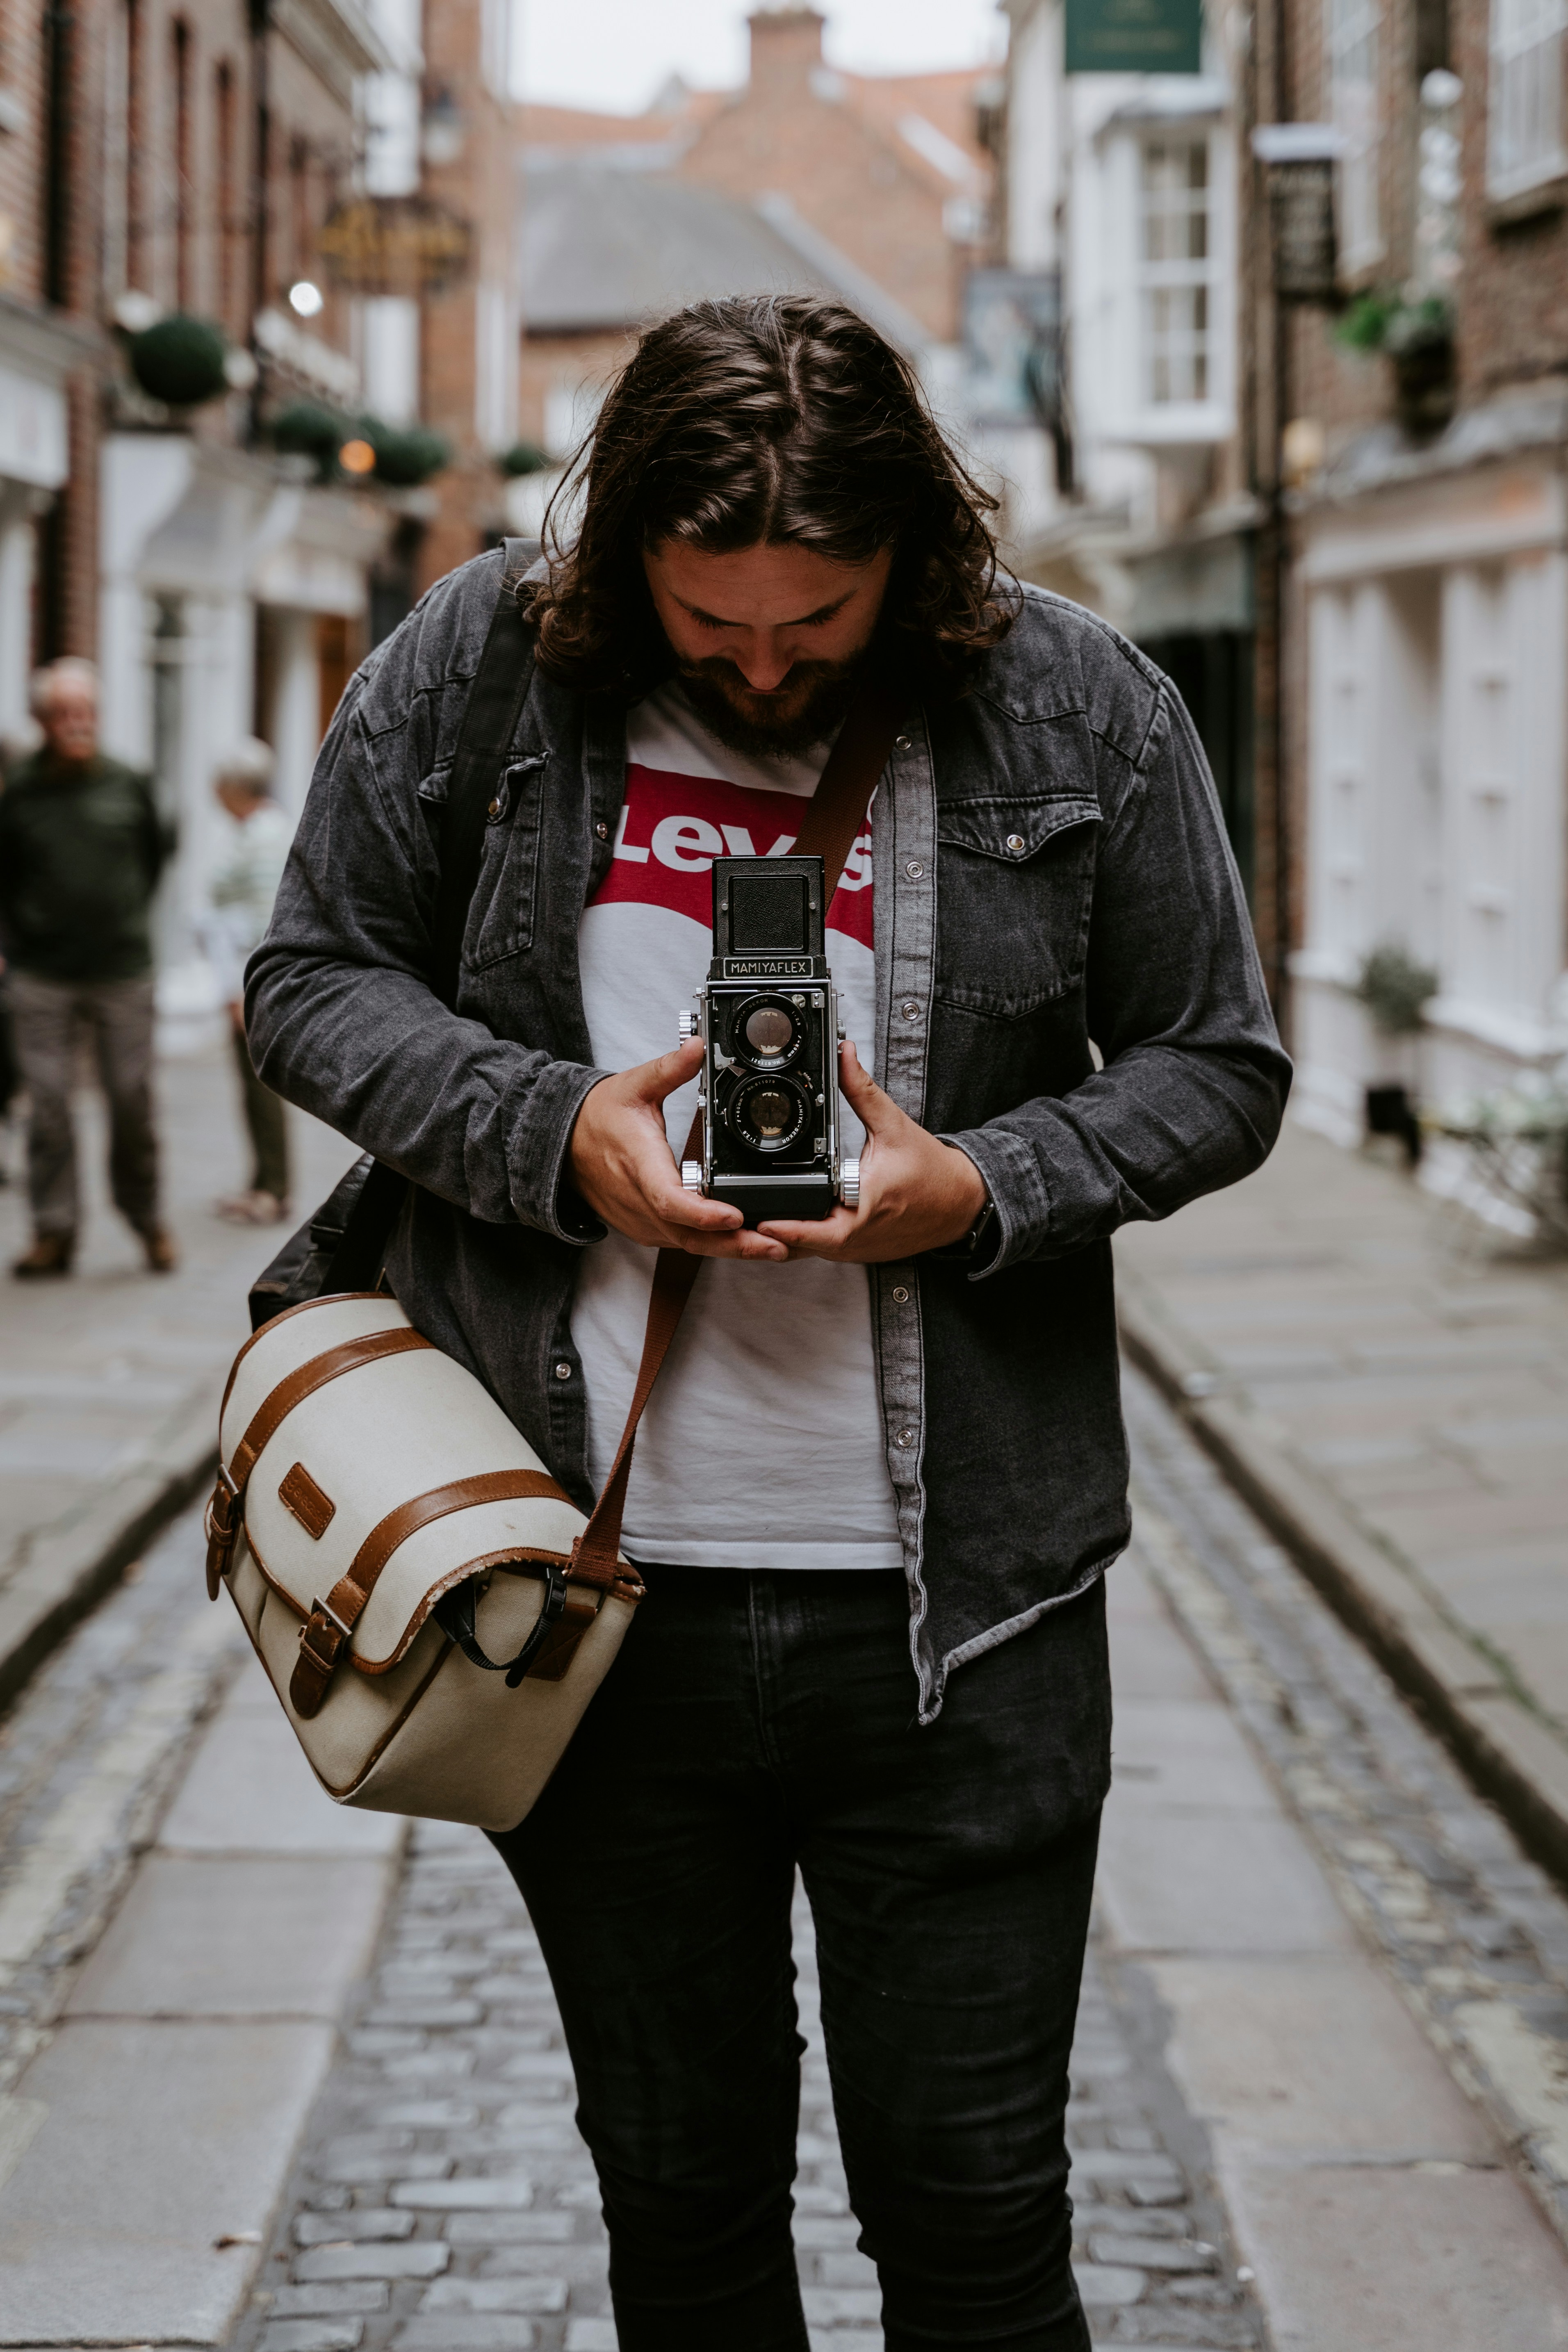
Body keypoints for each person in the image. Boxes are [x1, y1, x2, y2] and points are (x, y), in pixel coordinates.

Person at [248, 296, 1290, 2352]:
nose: (751, 662)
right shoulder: (483, 665)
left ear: (912, 558)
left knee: (977, 2219)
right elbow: (311, 978)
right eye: (703, 616)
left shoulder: (1076, 705)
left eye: (808, 622)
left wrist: (972, 1187)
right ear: (620, 541)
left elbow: (1214, 1063)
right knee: (686, 2209)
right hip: (585, 1609)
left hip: (957, 1624)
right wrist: (559, 1137)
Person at [0, 659, 176, 1278]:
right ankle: (55, 1231)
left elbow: (157, 856)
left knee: (131, 1102)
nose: (77, 724)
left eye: (86, 713)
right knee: (47, 1106)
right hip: (41, 972)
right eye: (63, 713)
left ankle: (147, 1217)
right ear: (42, 721)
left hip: (121, 969)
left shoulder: (128, 783)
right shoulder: (19, 790)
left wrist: (119, 916)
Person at [202, 738, 293, 1224]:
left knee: (262, 1087)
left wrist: (244, 992)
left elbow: (261, 922)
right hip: (240, 984)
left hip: (251, 988)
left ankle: (274, 1188)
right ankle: (261, 1181)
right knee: (251, 1085)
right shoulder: (251, 831)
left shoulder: (262, 836)